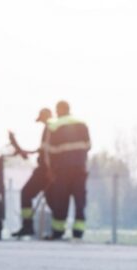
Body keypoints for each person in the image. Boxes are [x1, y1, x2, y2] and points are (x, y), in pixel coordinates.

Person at [43, 101, 91, 240]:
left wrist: (50, 170)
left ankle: (58, 231)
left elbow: (49, 151)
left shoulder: (54, 126)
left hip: (62, 170)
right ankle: (78, 232)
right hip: (80, 168)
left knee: (60, 201)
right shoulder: (82, 123)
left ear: (58, 110)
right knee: (80, 200)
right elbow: (88, 145)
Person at [10, 108, 53, 238]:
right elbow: (42, 150)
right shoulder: (50, 129)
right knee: (52, 199)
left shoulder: (50, 129)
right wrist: (25, 152)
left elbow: (47, 152)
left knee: (26, 193)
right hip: (49, 169)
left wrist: (49, 170)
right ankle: (55, 230)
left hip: (45, 170)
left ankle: (28, 226)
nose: (41, 122)